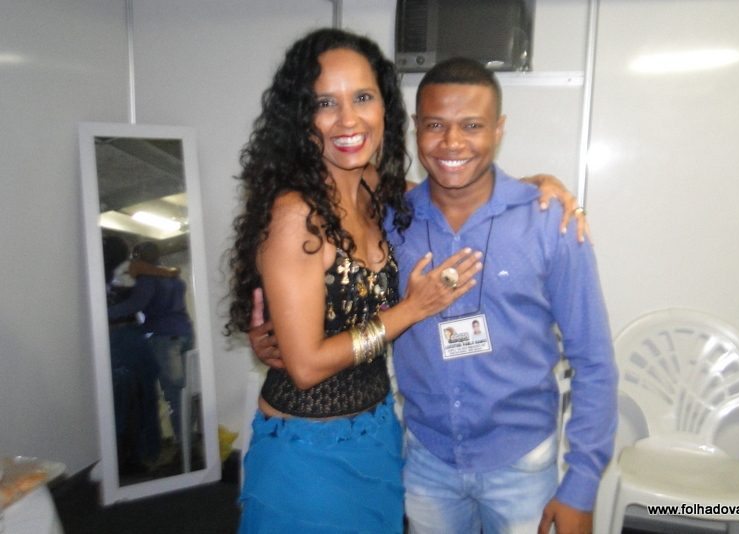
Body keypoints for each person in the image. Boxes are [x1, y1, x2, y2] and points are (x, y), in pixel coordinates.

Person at [250, 57, 614, 534]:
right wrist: (275, 334)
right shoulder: (391, 218)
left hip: (521, 463)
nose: (453, 142)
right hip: (425, 460)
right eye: (436, 125)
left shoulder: (549, 223)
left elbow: (594, 362)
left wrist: (581, 486)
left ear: (499, 130)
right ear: (416, 128)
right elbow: (328, 283)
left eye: (473, 126)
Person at [225, 28, 484, 534]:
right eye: (325, 103)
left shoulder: (376, 189)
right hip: (307, 453)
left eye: (362, 97)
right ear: (302, 117)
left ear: (385, 107)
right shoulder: (296, 214)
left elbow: (463, 195)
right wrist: (411, 309)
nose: (348, 120)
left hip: (378, 434)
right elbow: (305, 367)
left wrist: (539, 188)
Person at [108, 240, 194, 462]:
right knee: (187, 392)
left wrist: (104, 312)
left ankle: (184, 449)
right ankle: (190, 443)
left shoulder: (148, 278)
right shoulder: (173, 277)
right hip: (185, 332)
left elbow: (135, 305)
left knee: (174, 394)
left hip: (164, 337)